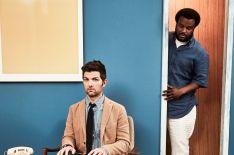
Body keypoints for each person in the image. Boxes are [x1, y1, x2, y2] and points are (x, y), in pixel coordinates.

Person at [162, 8, 209, 155]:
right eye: (180, 26)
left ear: (194, 28)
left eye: (188, 28)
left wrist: (179, 91)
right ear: (176, 23)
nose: (183, 30)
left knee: (179, 151)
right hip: (159, 105)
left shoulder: (200, 52)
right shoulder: (164, 40)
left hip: (181, 108)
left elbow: (201, 80)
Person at [57, 60, 130, 155]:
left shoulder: (119, 109)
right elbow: (68, 136)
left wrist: (105, 150)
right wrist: (68, 145)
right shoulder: (73, 109)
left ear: (104, 82)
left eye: (95, 79)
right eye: (86, 79)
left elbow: (124, 142)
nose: (90, 84)